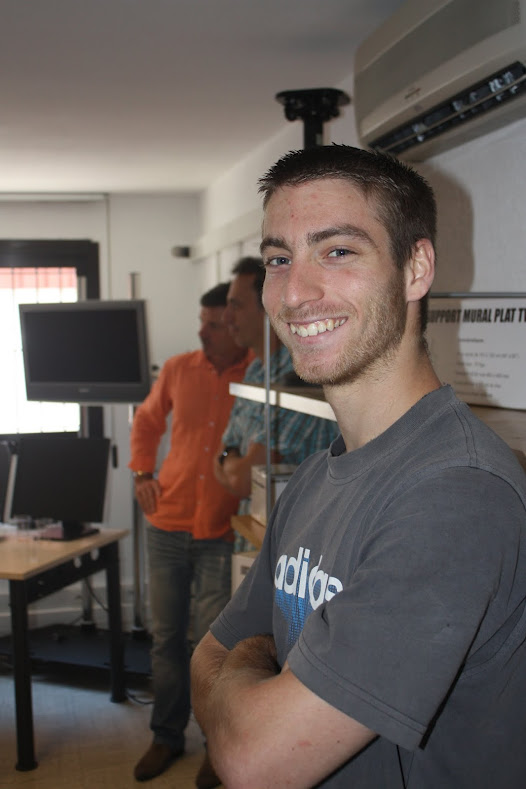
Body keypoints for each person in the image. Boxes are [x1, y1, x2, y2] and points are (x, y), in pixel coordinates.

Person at [191, 145, 526, 789]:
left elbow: (254, 761)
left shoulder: (457, 494)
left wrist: (249, 663)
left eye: (338, 251)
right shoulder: (315, 478)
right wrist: (252, 674)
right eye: (279, 259)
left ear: (416, 268)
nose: (295, 293)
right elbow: (206, 651)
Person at [129, 282, 251, 783]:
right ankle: (165, 735)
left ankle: (215, 746)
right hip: (168, 523)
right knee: (165, 639)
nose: (203, 331)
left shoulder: (256, 378)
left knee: (210, 647)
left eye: (214, 323)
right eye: (202, 321)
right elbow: (146, 420)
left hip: (221, 530)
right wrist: (142, 472)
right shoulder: (179, 369)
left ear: (236, 325)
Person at [214, 256, 338, 544]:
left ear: (269, 307)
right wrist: (230, 458)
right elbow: (221, 464)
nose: (226, 318)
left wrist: (228, 459)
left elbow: (243, 479)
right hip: (254, 536)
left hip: (294, 546)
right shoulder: (256, 371)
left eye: (236, 306)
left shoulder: (299, 375)